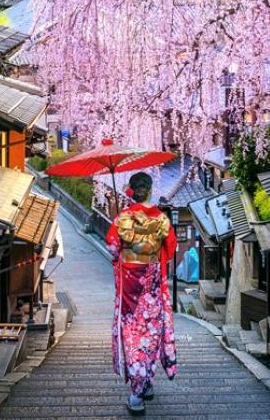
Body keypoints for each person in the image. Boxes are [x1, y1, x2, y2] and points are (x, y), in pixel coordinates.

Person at [105, 171, 177, 415]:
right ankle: (147, 383)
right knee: (152, 329)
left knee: (133, 333)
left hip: (129, 284)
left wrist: (126, 254)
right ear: (151, 189)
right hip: (153, 281)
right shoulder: (162, 219)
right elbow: (171, 248)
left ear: (132, 190)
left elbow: (113, 249)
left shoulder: (122, 218)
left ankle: (136, 394)